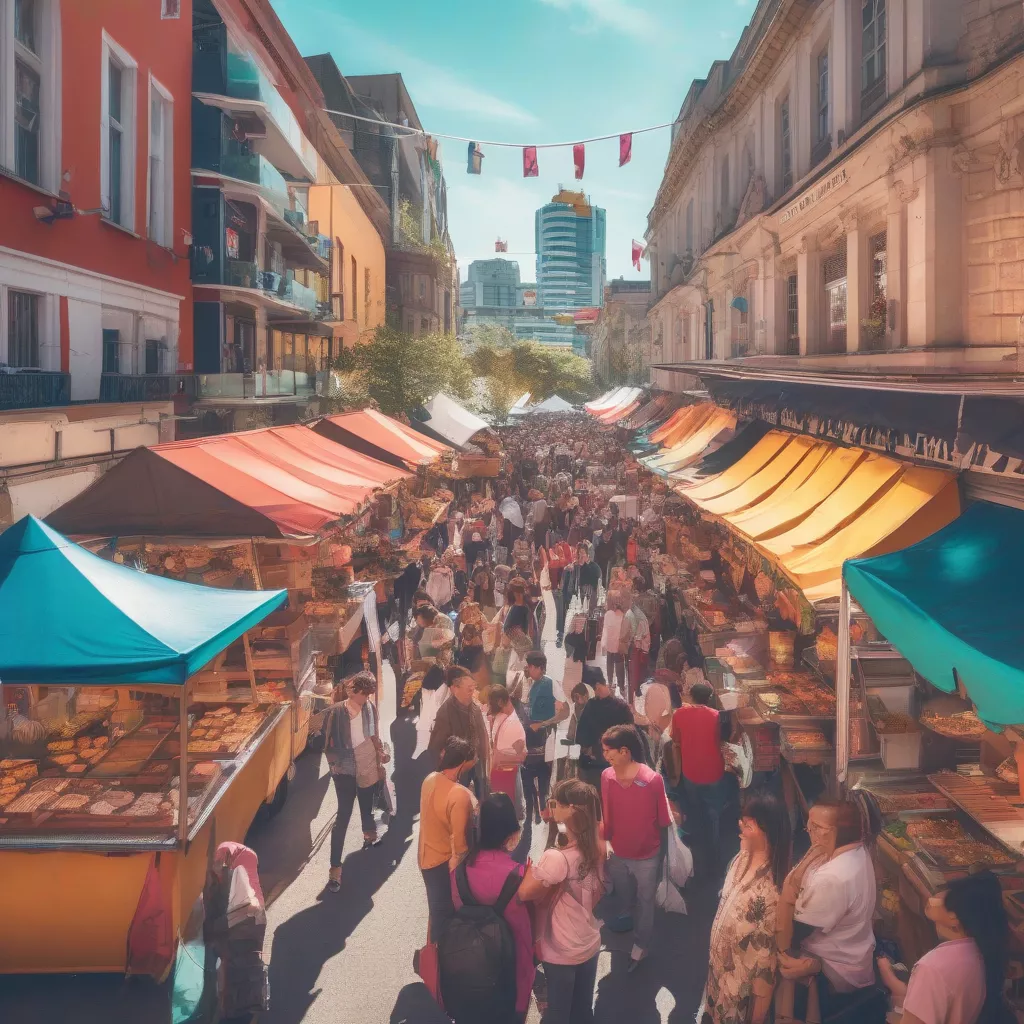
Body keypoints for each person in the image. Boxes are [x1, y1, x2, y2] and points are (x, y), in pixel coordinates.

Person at [777, 798, 881, 1021]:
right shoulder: (856, 849)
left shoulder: (832, 877)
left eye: (816, 827)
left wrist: (788, 890)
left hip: (835, 970)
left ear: (838, 832)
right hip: (854, 955)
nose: (809, 832)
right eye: (809, 825)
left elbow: (792, 934)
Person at [518, 779, 605, 1024]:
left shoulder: (557, 858)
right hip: (589, 940)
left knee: (558, 1012)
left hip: (562, 948)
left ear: (571, 811)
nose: (551, 806)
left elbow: (524, 893)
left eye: (557, 803)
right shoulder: (598, 845)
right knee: (582, 1010)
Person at [699, 789, 790, 1024]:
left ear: (768, 832)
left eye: (748, 825)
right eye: (742, 821)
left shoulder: (769, 893)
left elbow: (765, 967)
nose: (740, 827)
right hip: (717, 984)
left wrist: (757, 1018)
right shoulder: (740, 859)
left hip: (738, 1001)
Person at [446, 793, 534, 1024]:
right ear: (511, 832)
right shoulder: (520, 876)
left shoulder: (458, 873)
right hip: (511, 981)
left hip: (467, 979)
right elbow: (528, 932)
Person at [878, 870, 1009, 1024]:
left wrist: (892, 982)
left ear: (954, 918)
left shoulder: (932, 968)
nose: (936, 896)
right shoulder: (982, 949)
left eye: (946, 892)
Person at [599, 724, 671, 972]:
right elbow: (607, 814)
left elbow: (663, 820)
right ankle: (627, 916)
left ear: (625, 751)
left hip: (647, 856)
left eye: (609, 751)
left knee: (645, 901)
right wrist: (604, 843)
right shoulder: (606, 777)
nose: (605, 756)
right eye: (604, 751)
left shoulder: (652, 780)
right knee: (625, 893)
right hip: (618, 853)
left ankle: (641, 945)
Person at [322, 672, 389, 893]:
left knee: (367, 800)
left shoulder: (369, 708)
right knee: (343, 815)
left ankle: (369, 833)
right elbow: (325, 743)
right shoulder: (336, 712)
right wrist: (335, 765)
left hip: (367, 759)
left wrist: (380, 752)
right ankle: (335, 868)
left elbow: (374, 734)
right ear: (355, 692)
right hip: (344, 767)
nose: (367, 699)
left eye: (369, 695)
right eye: (365, 695)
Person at [419, 736, 477, 938]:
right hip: (444, 863)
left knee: (436, 913)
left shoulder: (430, 779)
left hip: (425, 857)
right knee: (445, 918)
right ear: (462, 763)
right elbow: (460, 846)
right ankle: (440, 954)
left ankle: (433, 951)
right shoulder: (459, 794)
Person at [670, 681, 730, 863]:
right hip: (714, 772)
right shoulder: (716, 716)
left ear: (691, 697)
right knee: (714, 813)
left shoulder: (679, 714)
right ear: (709, 698)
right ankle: (714, 851)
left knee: (695, 810)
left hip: (690, 772)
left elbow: (675, 740)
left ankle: (696, 851)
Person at [522, 652, 570, 824]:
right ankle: (534, 810)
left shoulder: (551, 684)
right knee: (528, 774)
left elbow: (565, 711)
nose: (529, 670)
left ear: (540, 668)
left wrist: (543, 724)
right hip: (530, 736)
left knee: (544, 777)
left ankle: (545, 812)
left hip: (545, 737)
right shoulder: (531, 683)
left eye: (531, 667)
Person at [428, 667, 489, 794]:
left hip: (478, 768)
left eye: (473, 687)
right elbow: (437, 750)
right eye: (468, 688)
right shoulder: (444, 713)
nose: (472, 691)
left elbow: (483, 739)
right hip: (457, 773)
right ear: (454, 689)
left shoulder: (475, 709)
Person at [575, 667, 633, 790]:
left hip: (602, 768)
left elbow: (581, 737)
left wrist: (592, 749)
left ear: (596, 686)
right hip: (605, 766)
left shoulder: (595, 707)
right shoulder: (621, 707)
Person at [486, 684, 527, 806]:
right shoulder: (501, 716)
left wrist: (500, 757)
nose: (489, 707)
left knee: (508, 808)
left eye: (490, 704)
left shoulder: (514, 724)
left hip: (507, 776)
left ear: (500, 702)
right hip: (498, 774)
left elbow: (522, 757)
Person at [623, 589, 651, 703]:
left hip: (637, 649)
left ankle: (634, 698)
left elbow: (640, 636)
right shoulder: (635, 613)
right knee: (635, 674)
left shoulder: (636, 615)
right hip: (638, 648)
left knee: (635, 675)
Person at [600, 594, 627, 697]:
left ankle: (611, 684)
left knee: (610, 664)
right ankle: (621, 687)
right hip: (618, 646)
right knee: (619, 666)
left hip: (610, 645)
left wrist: (603, 643)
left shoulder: (608, 614)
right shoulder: (624, 616)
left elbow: (605, 629)